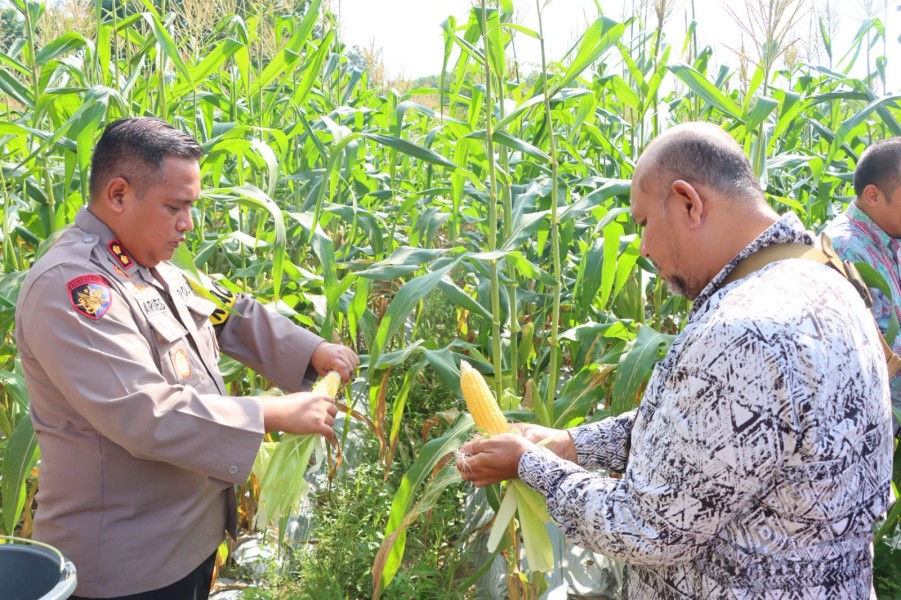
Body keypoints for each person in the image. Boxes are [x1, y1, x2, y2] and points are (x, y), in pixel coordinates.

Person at [456, 122, 894, 598]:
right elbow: (703, 435)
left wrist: (531, 466)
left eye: (644, 222)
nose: (642, 248)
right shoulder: (822, 277)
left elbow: (648, 526)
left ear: (689, 203)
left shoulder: (744, 331)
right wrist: (570, 444)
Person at [15, 117, 359, 600]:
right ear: (118, 195)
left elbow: (228, 313)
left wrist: (311, 351)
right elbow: (143, 410)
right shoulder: (74, 289)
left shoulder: (153, 265)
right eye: (175, 207)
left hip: (187, 542)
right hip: (126, 566)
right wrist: (269, 412)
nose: (188, 224)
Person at [824, 137, 901, 424]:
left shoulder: (888, 237)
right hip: (874, 417)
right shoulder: (845, 249)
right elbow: (872, 346)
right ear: (873, 196)